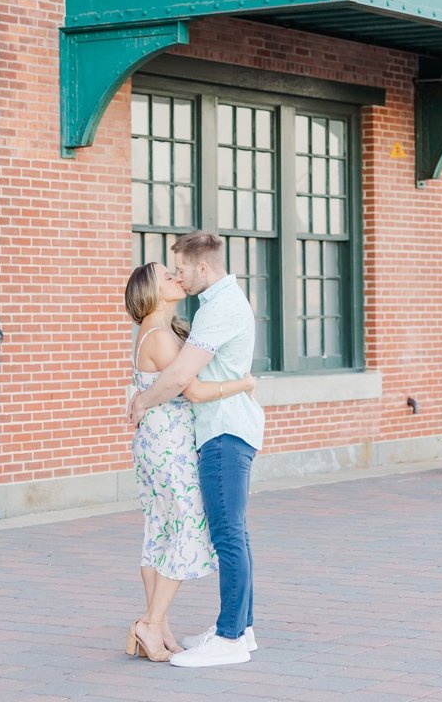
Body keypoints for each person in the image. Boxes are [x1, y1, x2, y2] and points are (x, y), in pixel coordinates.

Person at [129, 230, 264, 669]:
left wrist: (141, 403)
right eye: (171, 275)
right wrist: (243, 383)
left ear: (201, 267)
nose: (179, 278)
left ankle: (226, 635)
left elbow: (183, 382)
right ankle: (194, 627)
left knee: (216, 534)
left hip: (221, 433)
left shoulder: (218, 308)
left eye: (180, 270)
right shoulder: (194, 315)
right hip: (187, 440)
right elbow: (189, 387)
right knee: (197, 531)